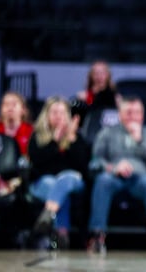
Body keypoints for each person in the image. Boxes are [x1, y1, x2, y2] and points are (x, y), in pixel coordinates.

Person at [87, 96, 146, 253]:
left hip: (141, 179)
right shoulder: (107, 133)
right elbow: (95, 161)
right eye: (128, 112)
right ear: (120, 114)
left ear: (143, 114)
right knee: (102, 180)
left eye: (137, 112)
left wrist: (140, 141)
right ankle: (97, 235)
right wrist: (113, 168)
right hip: (113, 177)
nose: (133, 116)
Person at [28, 96, 91, 249]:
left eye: (62, 113)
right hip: (43, 182)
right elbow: (38, 163)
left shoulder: (77, 138)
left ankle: (48, 215)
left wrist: (70, 138)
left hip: (73, 182)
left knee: (66, 179)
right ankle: (62, 234)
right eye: (54, 112)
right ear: (46, 116)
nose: (58, 117)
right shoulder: (37, 137)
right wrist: (55, 139)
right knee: (56, 187)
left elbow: (83, 165)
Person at [0, 91, 35, 156]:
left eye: (14, 104)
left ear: (23, 110)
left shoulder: (32, 132)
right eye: (6, 104)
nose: (10, 108)